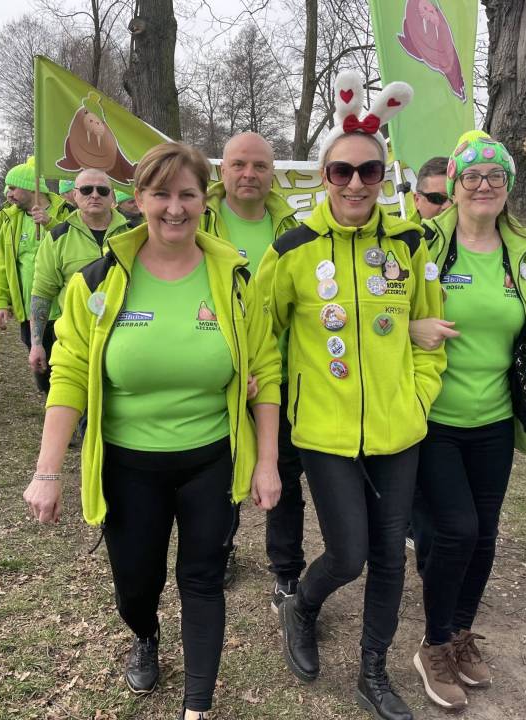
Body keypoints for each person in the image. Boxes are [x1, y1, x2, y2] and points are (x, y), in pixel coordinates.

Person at [22, 142, 282, 720]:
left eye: (187, 194)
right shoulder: (98, 281)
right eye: (161, 194)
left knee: (203, 579)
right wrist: (47, 471)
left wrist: (266, 462)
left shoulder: (235, 280)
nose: (175, 207)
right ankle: (144, 633)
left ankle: (198, 705)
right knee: (136, 585)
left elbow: (266, 369)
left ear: (204, 200)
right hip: (128, 464)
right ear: (137, 199)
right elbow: (69, 376)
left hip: (210, 459)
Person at [258, 70, 445, 720]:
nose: (357, 184)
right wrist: (272, 404)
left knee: (390, 556)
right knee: (348, 553)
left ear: (383, 174)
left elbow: (431, 331)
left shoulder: (409, 243)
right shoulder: (293, 249)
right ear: (325, 176)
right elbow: (262, 339)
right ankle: (301, 605)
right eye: (343, 171)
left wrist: (417, 398)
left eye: (369, 171)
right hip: (323, 431)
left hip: (398, 429)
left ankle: (373, 672)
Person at [409, 131, 526, 711]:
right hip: (433, 416)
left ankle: (459, 634)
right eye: (472, 176)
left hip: (495, 420)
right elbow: (380, 313)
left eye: (495, 176)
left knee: (484, 534)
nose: (483, 185)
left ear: (508, 185)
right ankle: (434, 645)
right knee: (456, 530)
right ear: (455, 184)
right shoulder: (421, 246)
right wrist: (410, 328)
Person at [200, 131, 300, 593]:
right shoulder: (198, 222)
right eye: (238, 164)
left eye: (260, 166)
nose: (249, 174)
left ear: (272, 173)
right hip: (220, 373)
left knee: (283, 474)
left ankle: (286, 570)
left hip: (282, 374)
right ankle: (220, 551)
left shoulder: (293, 229)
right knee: (220, 475)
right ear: (222, 170)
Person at [28, 168, 133, 385]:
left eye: (102, 190)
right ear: (74, 195)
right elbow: (42, 294)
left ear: (112, 196)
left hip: (126, 336)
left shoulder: (134, 234)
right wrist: (36, 344)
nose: (94, 195)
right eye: (86, 190)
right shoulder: (57, 237)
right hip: (75, 340)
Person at [0, 157, 71, 392]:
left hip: (64, 308)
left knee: (67, 366)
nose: (8, 193)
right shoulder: (10, 220)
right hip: (31, 312)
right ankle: (50, 402)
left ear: (30, 186)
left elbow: (77, 246)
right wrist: (0, 302)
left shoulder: (66, 212)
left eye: (13, 187)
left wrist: (51, 224)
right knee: (41, 368)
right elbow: (2, 264)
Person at [413, 156, 453, 221]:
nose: (448, 206)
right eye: (437, 198)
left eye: (454, 199)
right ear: (417, 200)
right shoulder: (402, 226)